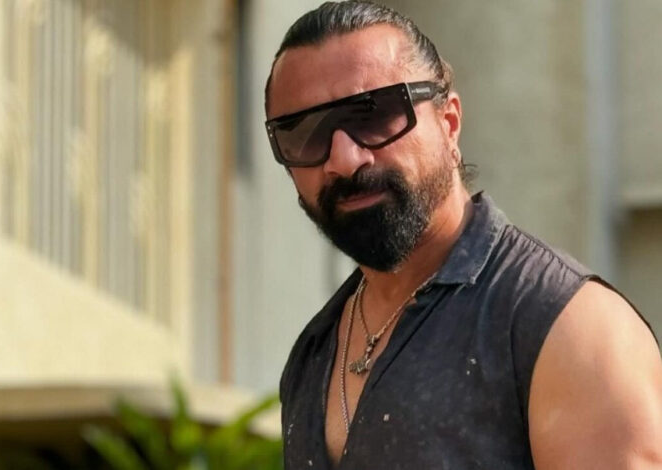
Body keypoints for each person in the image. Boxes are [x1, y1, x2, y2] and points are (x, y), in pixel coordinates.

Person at [264, 1, 662, 469]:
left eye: (373, 115)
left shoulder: (566, 330)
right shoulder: (315, 349)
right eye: (305, 133)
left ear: (449, 123)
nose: (344, 159)